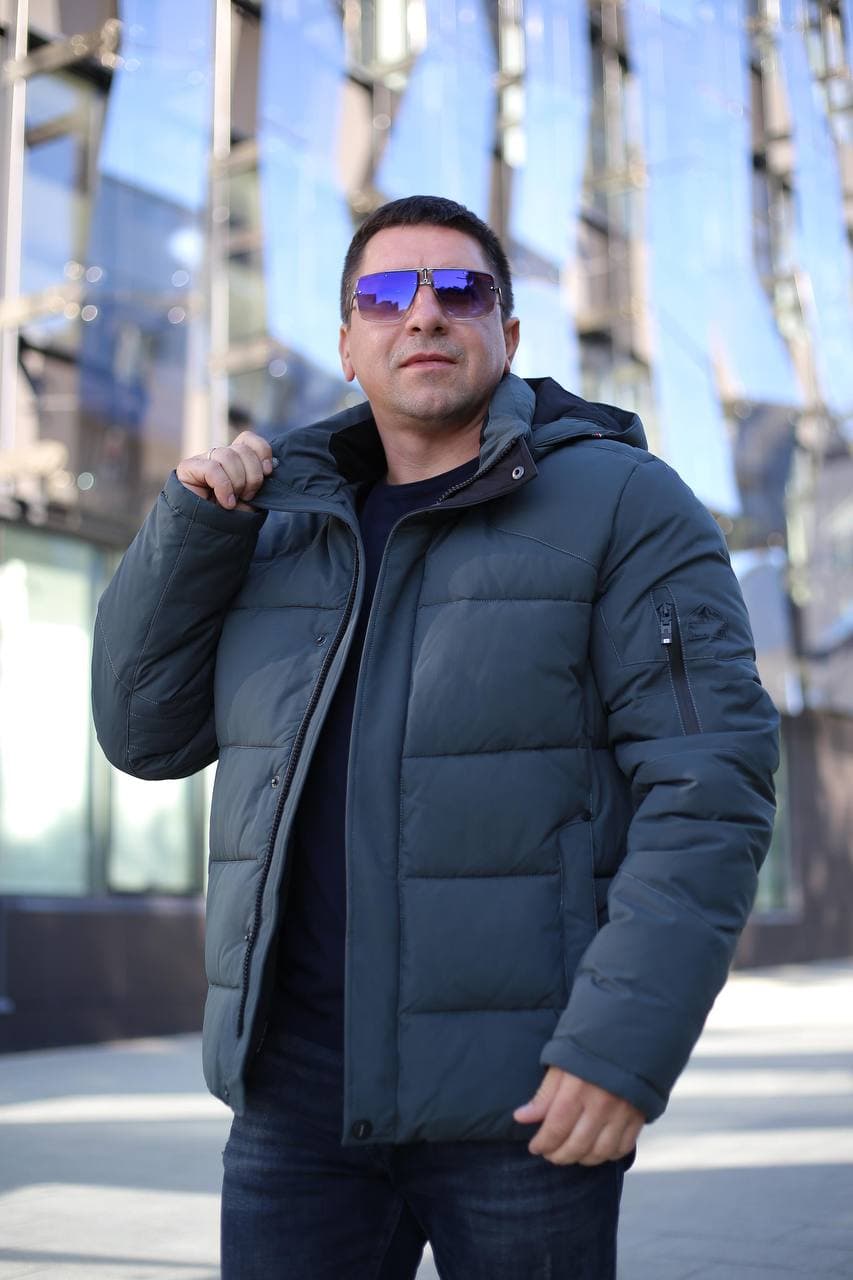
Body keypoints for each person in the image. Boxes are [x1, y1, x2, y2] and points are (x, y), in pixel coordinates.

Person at [92, 194, 778, 1279]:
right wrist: (191, 535)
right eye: (384, 294)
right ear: (346, 343)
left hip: (523, 1096)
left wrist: (620, 1048)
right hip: (296, 1102)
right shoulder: (277, 521)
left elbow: (710, 784)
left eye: (460, 289)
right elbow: (143, 733)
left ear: (508, 332)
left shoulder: (625, 505)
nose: (422, 314)